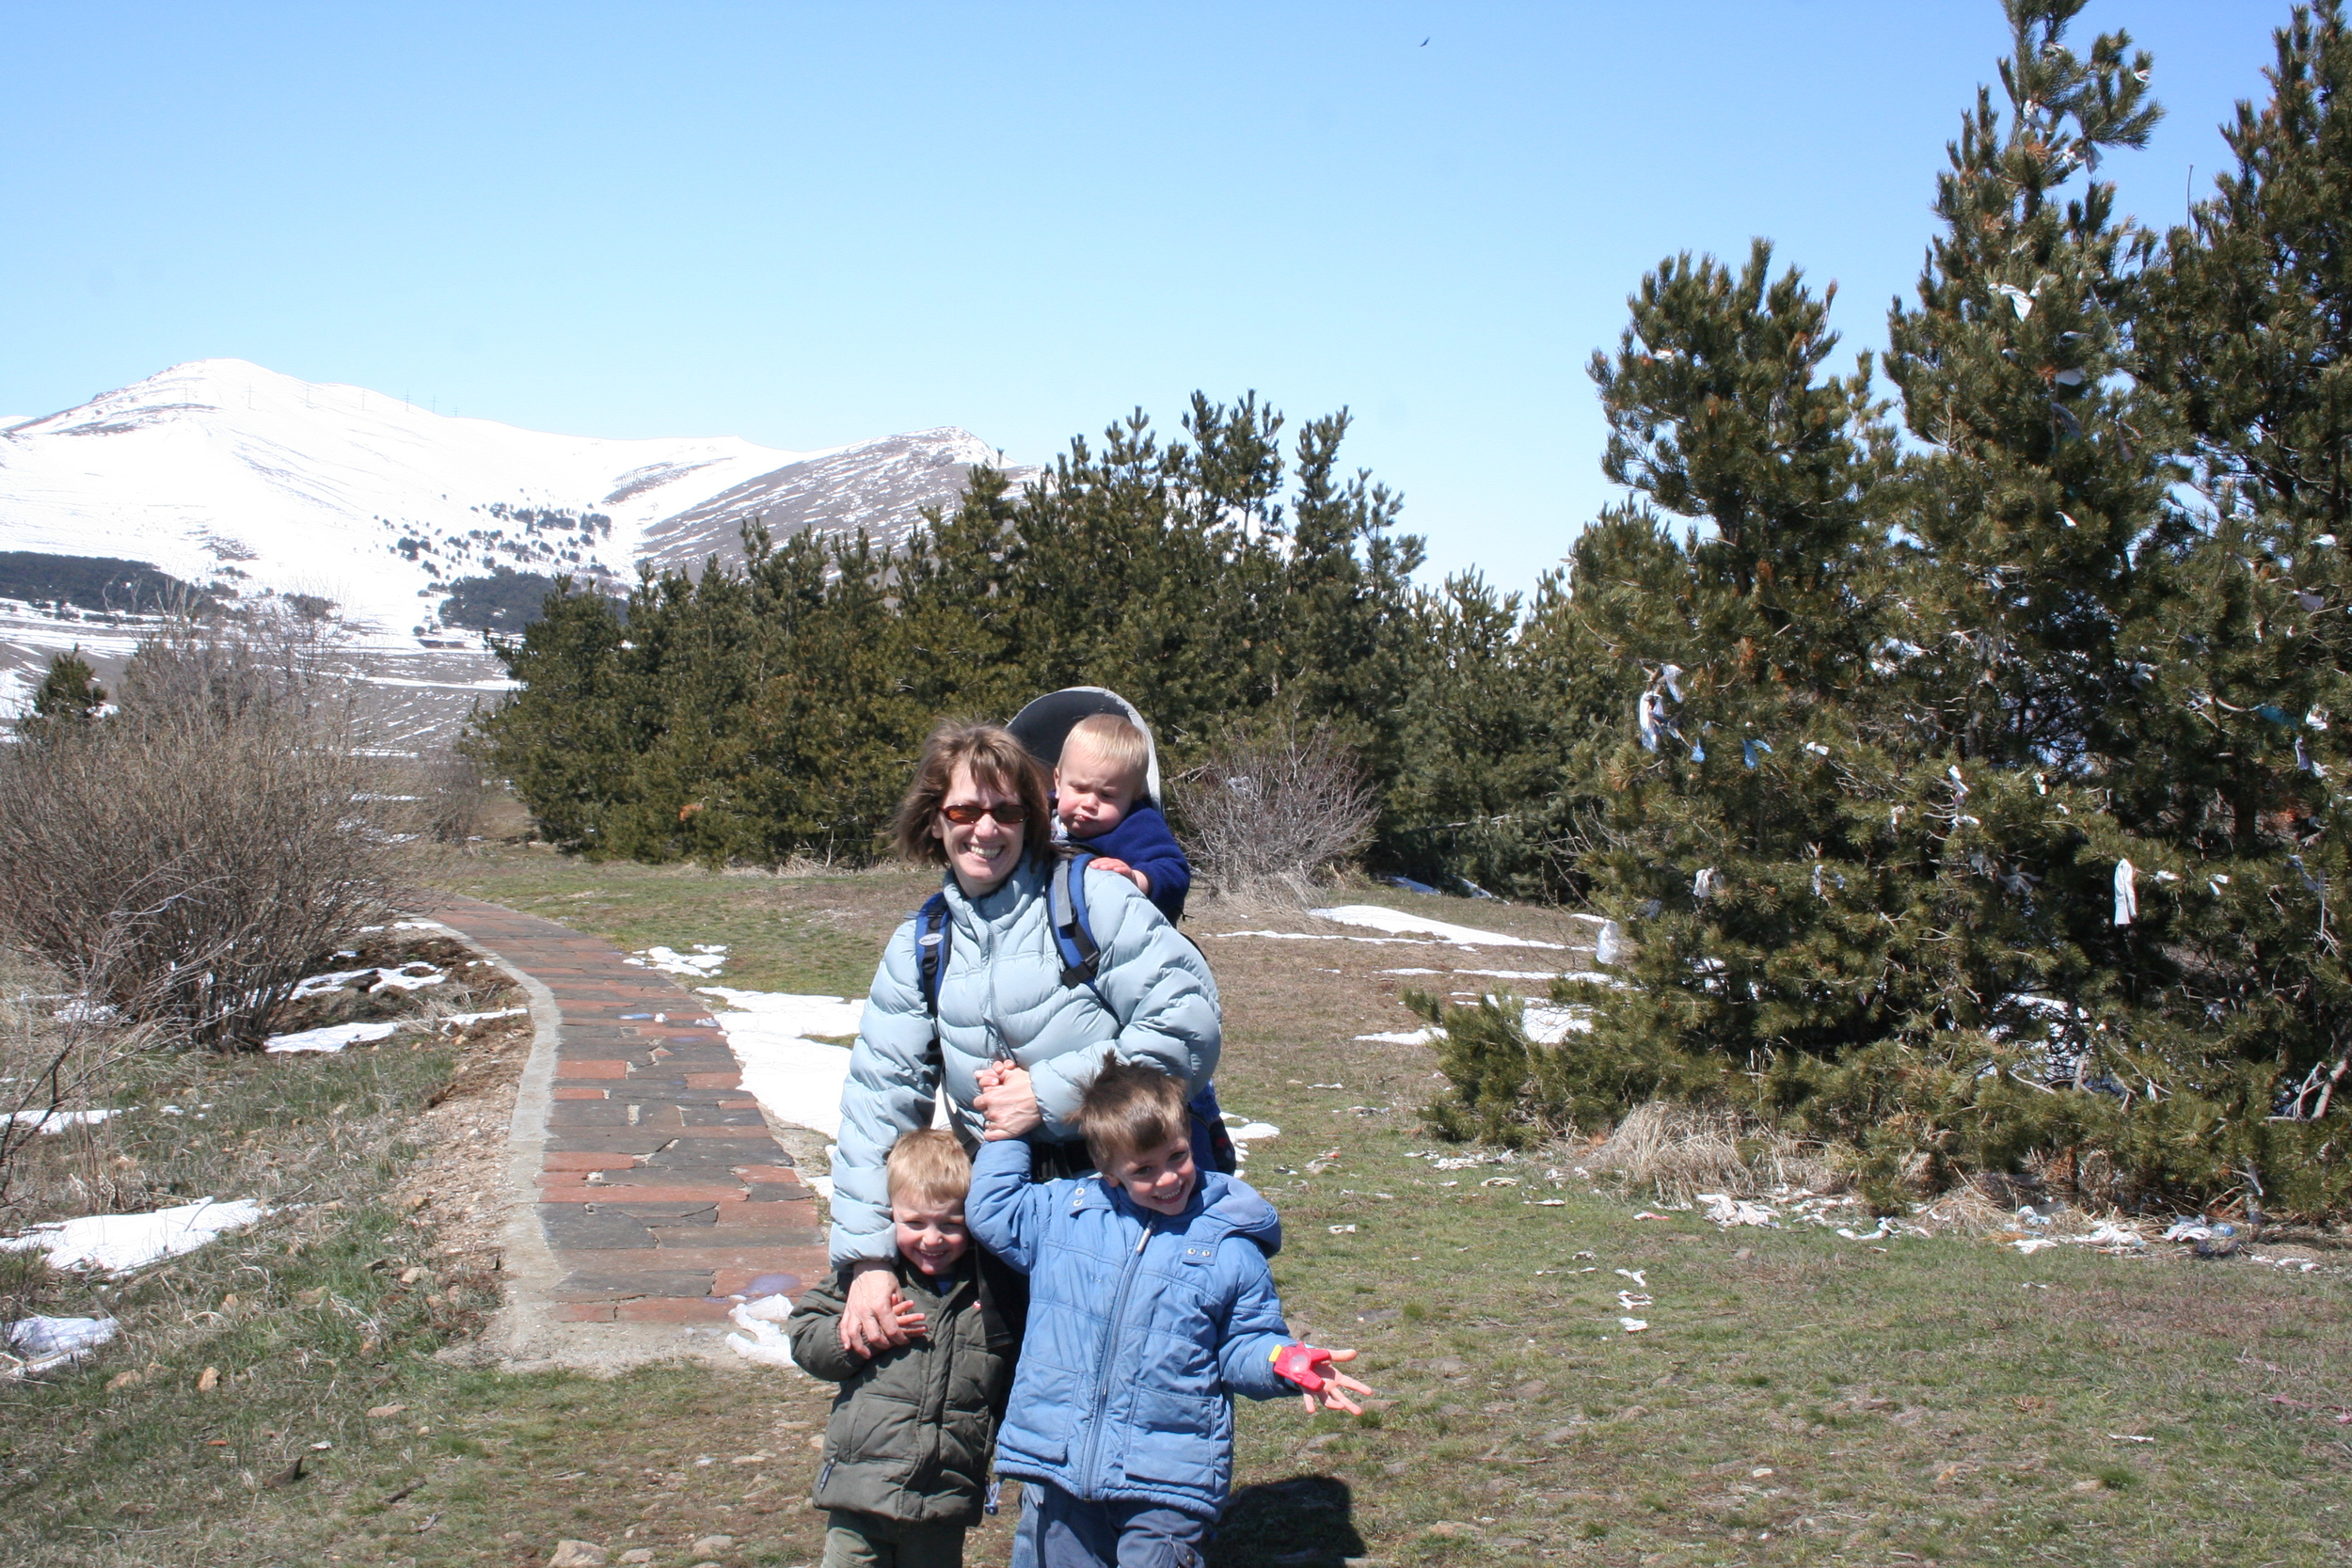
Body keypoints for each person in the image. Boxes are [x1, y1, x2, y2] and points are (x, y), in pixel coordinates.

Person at [830, 720, 1222, 1360]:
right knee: (1020, 1403)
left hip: (1127, 1192)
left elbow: (1188, 1025)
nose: (985, 828)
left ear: (1033, 816)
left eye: (1006, 810)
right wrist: (868, 1258)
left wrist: (1044, 1093)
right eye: (964, 808)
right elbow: (881, 1098)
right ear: (935, 819)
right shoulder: (923, 943)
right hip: (1005, 1216)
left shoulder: (1092, 896)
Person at [967, 1054, 1371, 1567]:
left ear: (1188, 1139)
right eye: (1143, 1169)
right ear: (1108, 1171)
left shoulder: (1228, 1244)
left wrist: (1281, 1361)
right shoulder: (1064, 1215)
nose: (1167, 1179)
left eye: (1177, 1156)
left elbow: (1244, 1340)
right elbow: (994, 1208)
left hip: (1167, 1477)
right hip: (1061, 1465)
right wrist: (1007, 1131)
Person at [787, 1131, 1020, 1568]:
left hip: (944, 1496)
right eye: (914, 1223)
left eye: (950, 1224)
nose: (932, 1239)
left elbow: (1007, 1381)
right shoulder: (870, 1279)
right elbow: (804, 1334)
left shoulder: (991, 1291)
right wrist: (854, 1340)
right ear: (890, 1215)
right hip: (861, 1490)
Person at [1053, 713, 1191, 923]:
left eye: (1106, 795)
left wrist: (1137, 878)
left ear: (1134, 797)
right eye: (1080, 788)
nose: (1089, 803)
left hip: (1103, 934)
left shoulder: (1136, 826)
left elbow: (1174, 872)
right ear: (1058, 782)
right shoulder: (1038, 814)